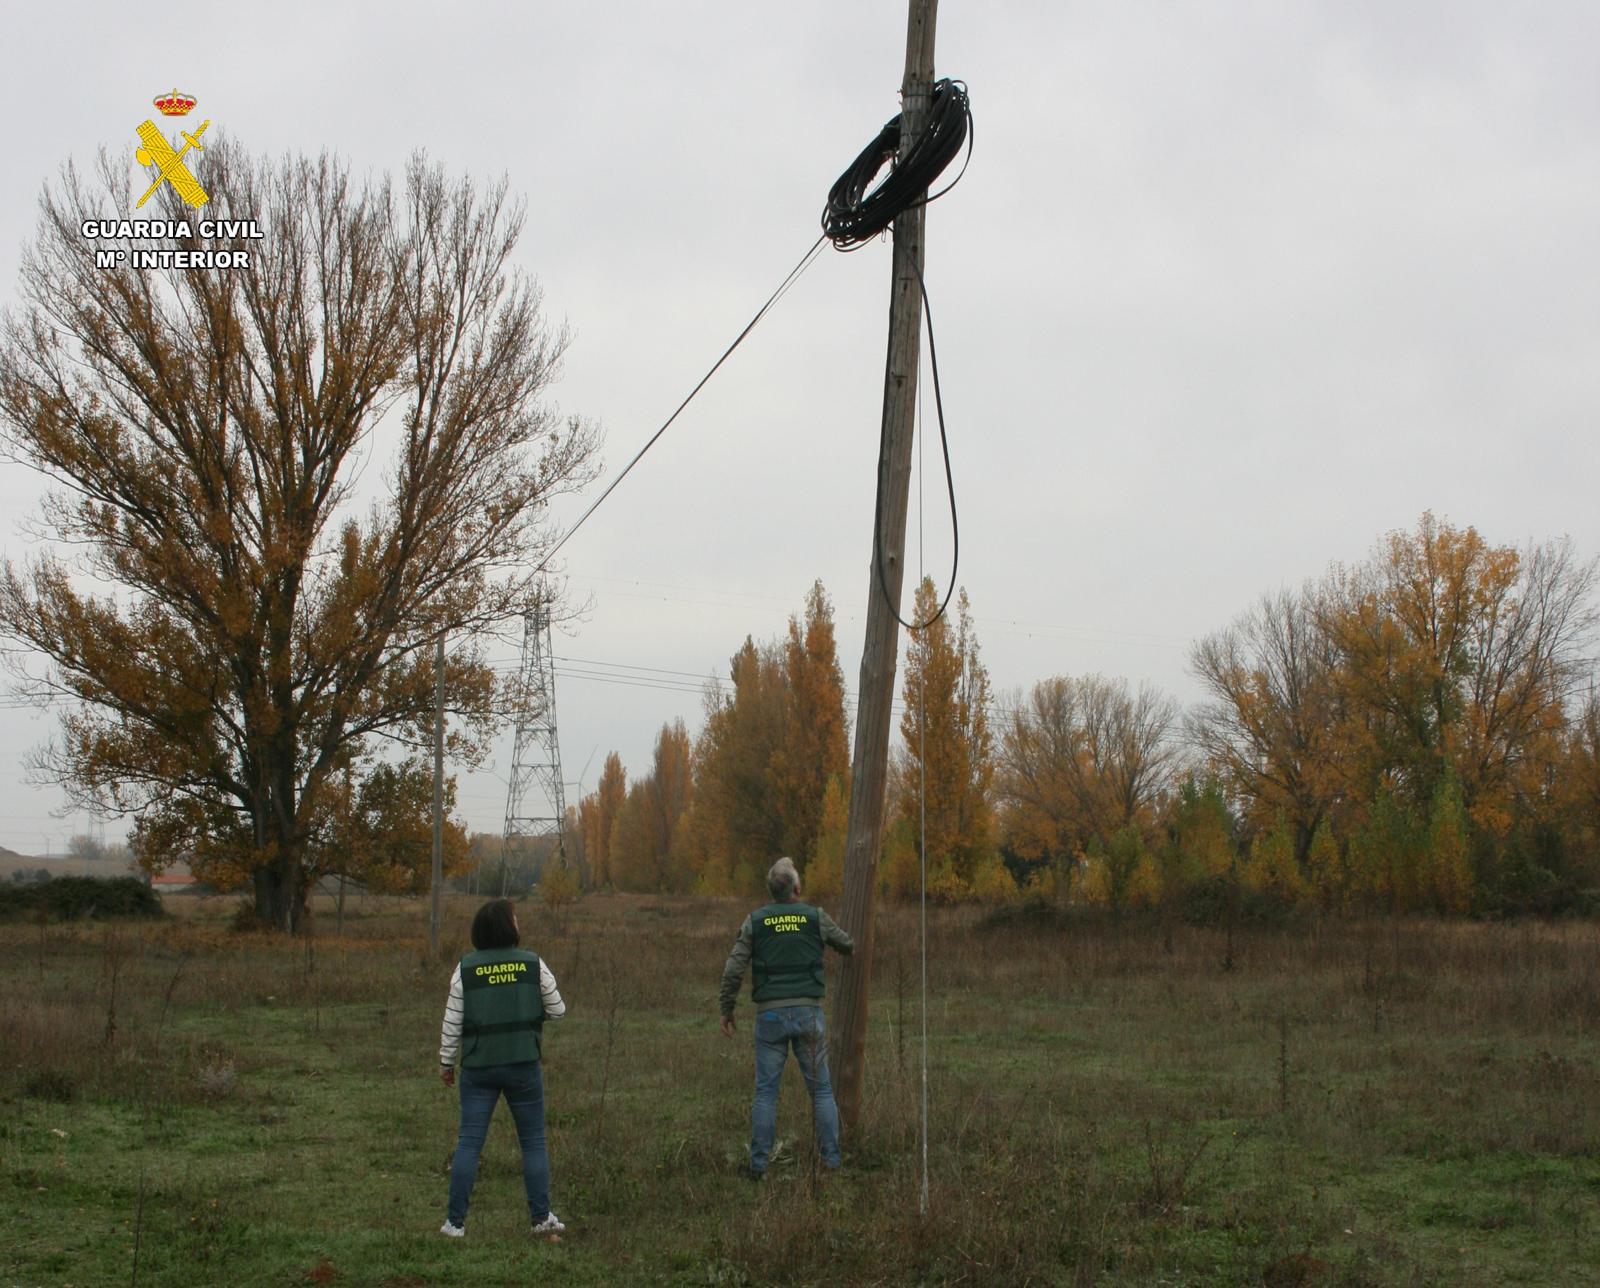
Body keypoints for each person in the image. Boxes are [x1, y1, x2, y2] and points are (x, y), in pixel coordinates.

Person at [718, 856, 854, 1179]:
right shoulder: (815, 917)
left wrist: (727, 1008)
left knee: (766, 1093)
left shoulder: (755, 921)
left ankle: (758, 1166)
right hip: (809, 1014)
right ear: (797, 887)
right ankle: (831, 1161)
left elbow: (733, 968)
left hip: (770, 1017)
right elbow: (846, 944)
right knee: (821, 1091)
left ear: (771, 891)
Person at [438, 897, 566, 1238]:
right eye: (515, 919)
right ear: (509, 928)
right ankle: (541, 1219)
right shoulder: (533, 964)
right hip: (523, 1066)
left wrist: (446, 1062)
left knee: (469, 1143)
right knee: (533, 1142)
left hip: (478, 1068)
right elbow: (557, 1009)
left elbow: (452, 1022)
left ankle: (454, 1223)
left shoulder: (465, 969)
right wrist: (526, 1015)